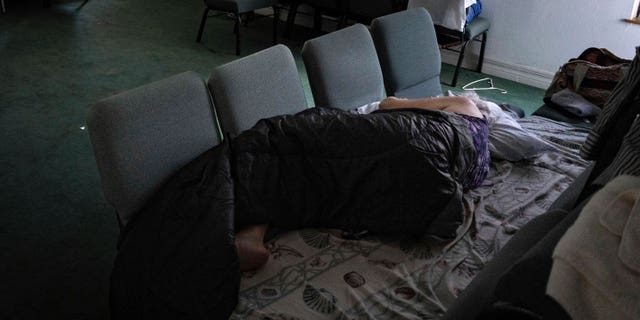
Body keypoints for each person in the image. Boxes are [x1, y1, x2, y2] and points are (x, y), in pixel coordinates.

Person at [235, 95, 490, 271]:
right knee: (345, 185)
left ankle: (253, 229)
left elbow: (389, 104)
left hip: (418, 137)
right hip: (431, 189)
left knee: (296, 137)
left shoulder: (466, 104)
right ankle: (253, 234)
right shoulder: (482, 165)